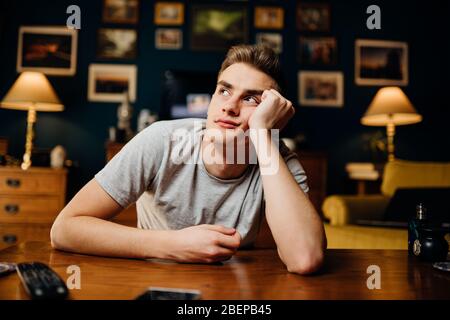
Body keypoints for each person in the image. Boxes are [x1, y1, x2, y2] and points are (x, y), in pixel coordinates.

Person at [50, 45, 326, 275]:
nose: (229, 106)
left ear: (272, 114)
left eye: (251, 99)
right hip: (152, 282)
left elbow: (305, 258)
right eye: (224, 90)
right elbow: (65, 229)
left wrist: (264, 136)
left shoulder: (279, 161)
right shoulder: (160, 140)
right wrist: (172, 244)